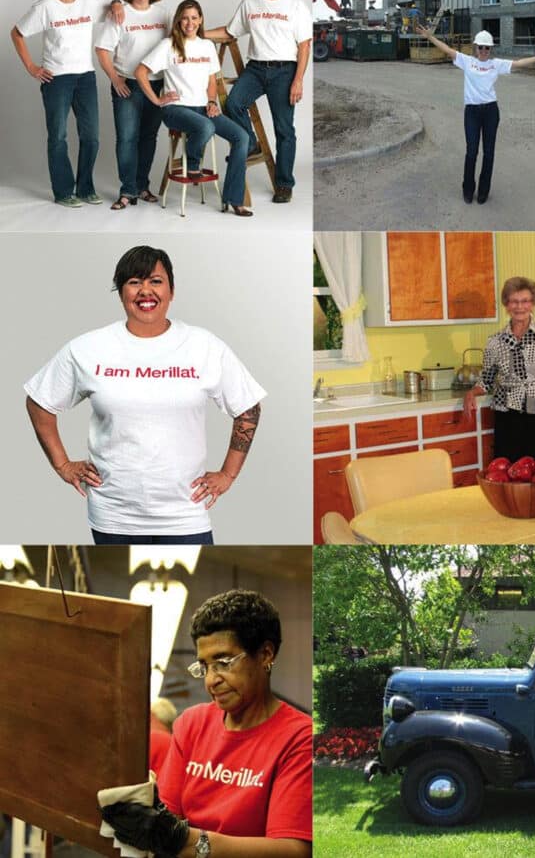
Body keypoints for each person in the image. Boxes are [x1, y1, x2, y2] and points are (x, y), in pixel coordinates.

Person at [24, 246, 265, 544]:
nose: (145, 291)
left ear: (172, 291)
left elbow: (248, 408)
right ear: (121, 292)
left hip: (185, 512)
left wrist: (228, 474)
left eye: (155, 281)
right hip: (114, 513)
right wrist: (62, 464)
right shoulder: (88, 348)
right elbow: (40, 401)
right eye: (134, 282)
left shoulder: (204, 346)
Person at [102, 590, 312, 856]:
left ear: (265, 654)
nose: (211, 680)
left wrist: (184, 841)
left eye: (223, 662)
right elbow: (167, 817)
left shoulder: (299, 738)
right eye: (204, 666)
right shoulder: (192, 723)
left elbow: (294, 851)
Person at [11, 0, 123, 207]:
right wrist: (31, 66)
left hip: (85, 77)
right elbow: (17, 33)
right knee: (58, 136)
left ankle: (85, 188)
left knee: (92, 136)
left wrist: (116, 4)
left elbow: (113, 6)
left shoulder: (90, 1)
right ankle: (63, 192)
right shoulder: (45, 6)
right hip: (57, 79)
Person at [204, 0, 312, 204]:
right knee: (232, 104)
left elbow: (305, 46)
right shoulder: (249, 4)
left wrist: (298, 80)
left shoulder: (295, 5)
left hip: (285, 70)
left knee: (284, 130)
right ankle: (250, 142)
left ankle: (284, 184)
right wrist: (200, 33)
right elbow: (230, 32)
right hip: (255, 68)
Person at [414, 24, 535, 204]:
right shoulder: (467, 61)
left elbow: (518, 64)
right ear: (475, 48)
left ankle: (483, 191)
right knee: (472, 152)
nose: (483, 50)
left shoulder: (495, 65)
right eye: (480, 47)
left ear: (490, 49)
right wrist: (430, 37)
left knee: (489, 153)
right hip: (472, 112)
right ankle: (468, 189)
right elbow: (448, 50)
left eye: (486, 47)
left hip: (490, 111)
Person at [136, 0, 252, 217]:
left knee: (241, 137)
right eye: (185, 18)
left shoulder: (207, 46)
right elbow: (140, 71)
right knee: (206, 127)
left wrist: (211, 102)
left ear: (200, 20)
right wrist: (157, 100)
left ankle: (234, 199)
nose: (190, 22)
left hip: (202, 109)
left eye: (194, 18)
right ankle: (193, 162)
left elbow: (211, 81)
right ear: (179, 20)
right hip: (176, 110)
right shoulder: (168, 45)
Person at [463, 276, 535, 463]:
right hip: (506, 418)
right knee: (507, 477)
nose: (520, 307)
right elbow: (487, 379)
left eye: (525, 301)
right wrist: (472, 392)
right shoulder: (495, 341)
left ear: (533, 303)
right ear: (506, 305)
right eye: (514, 301)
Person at [95, 0, 172, 210]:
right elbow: (102, 50)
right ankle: (127, 191)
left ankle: (142, 186)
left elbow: (176, 46)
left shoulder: (163, 15)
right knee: (127, 139)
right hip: (127, 84)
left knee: (148, 137)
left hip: (156, 84)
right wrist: (115, 79)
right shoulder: (120, 14)